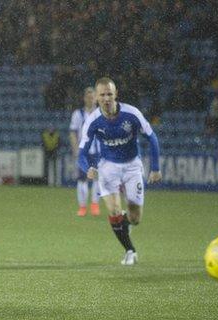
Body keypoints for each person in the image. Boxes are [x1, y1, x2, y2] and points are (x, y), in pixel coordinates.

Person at [78, 77, 162, 265]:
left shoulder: (132, 114)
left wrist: (155, 168)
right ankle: (130, 250)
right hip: (108, 167)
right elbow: (81, 153)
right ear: (97, 98)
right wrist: (88, 168)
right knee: (114, 209)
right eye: (102, 95)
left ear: (116, 95)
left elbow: (152, 138)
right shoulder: (93, 121)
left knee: (135, 218)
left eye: (110, 94)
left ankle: (125, 222)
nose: (106, 98)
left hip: (132, 166)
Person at [69, 87, 101, 217]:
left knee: (97, 179)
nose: (90, 99)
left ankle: (94, 205)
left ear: (96, 98)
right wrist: (76, 149)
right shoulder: (78, 114)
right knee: (82, 179)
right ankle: (82, 207)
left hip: (98, 151)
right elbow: (72, 132)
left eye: (92, 96)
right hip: (84, 152)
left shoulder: (101, 113)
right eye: (88, 96)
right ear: (84, 98)